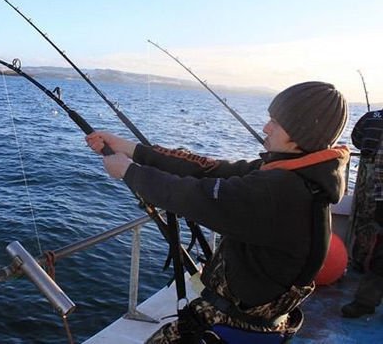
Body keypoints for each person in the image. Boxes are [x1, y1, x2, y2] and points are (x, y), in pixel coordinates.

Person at [86, 81, 349, 343]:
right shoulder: (298, 174)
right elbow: (209, 169)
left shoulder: (279, 190)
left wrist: (129, 172)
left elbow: (195, 196)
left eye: (276, 123)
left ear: (301, 132)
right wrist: (129, 148)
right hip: (258, 322)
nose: (265, 127)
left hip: (232, 326)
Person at [341, 107, 383, 318]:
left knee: (366, 225)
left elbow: (356, 138)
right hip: (379, 190)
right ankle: (364, 301)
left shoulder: (371, 117)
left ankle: (358, 261)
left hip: (369, 179)